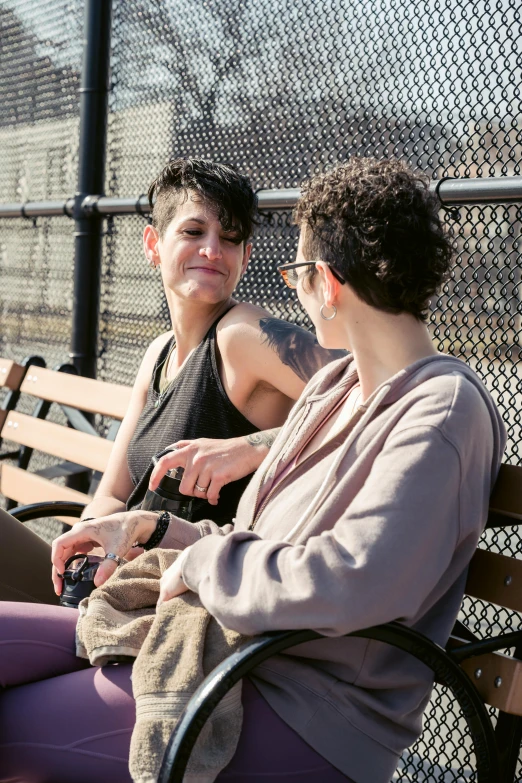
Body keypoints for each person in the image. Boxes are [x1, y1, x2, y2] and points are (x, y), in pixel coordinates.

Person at [0, 157, 505, 783]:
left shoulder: (442, 409)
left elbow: (355, 579)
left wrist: (200, 563)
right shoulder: (336, 389)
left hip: (302, 706)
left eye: (295, 271)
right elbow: (254, 544)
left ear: (327, 282)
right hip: (227, 654)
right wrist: (151, 531)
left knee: (10, 725)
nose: (291, 288)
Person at [0, 157, 343, 604]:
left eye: (231, 238)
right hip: (107, 590)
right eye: (193, 232)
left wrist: (256, 447)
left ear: (246, 256)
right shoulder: (157, 353)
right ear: (153, 244)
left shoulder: (243, 336)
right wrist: (86, 546)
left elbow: (380, 397)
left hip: (175, 605)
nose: (213, 250)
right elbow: (114, 492)